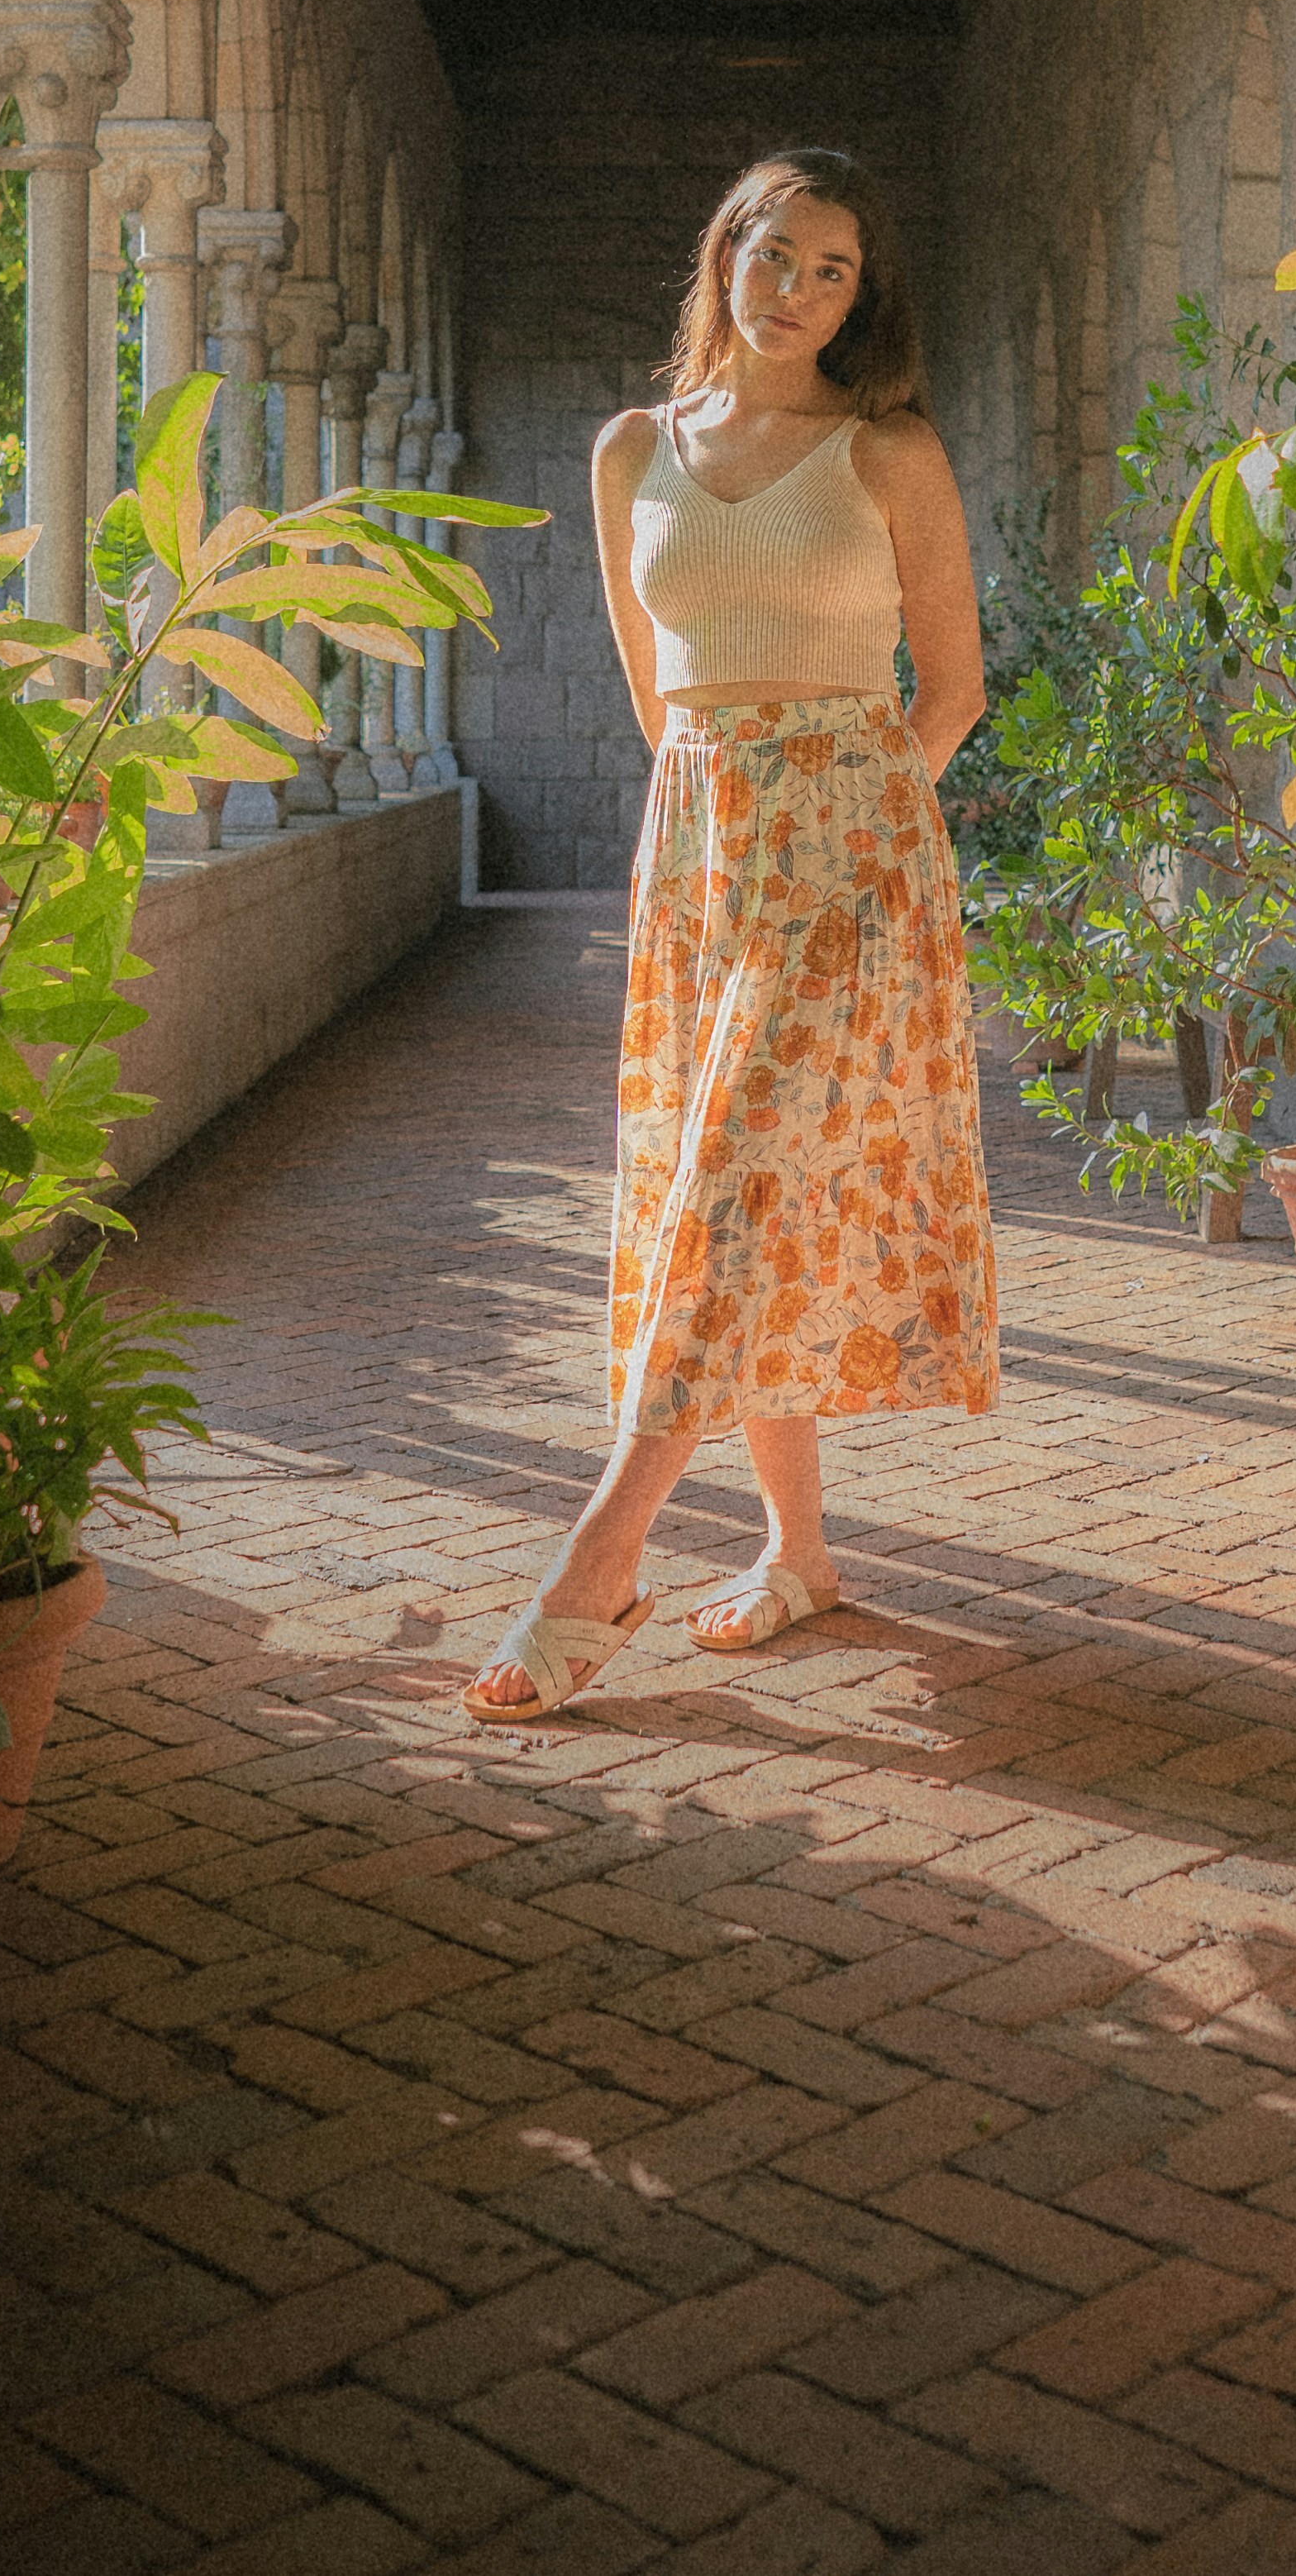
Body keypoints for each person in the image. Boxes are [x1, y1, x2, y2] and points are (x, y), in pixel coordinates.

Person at [465, 147, 997, 1721]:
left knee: (738, 1174)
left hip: (853, 854)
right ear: (724, 257)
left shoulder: (889, 452)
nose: (799, 291)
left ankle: (599, 1561)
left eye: (833, 270)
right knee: (728, 1182)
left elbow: (953, 688)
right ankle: (798, 1554)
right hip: (697, 851)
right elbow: (654, 693)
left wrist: (855, 837)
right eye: (776, 255)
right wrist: (723, 825)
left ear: (859, 294)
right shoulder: (632, 451)